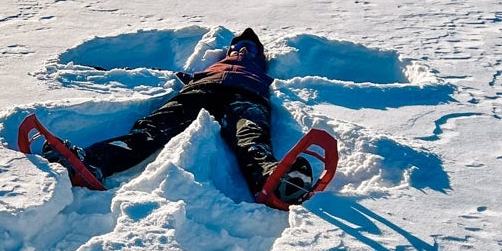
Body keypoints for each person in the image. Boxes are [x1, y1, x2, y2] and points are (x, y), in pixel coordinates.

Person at [44, 28, 316, 206]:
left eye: (251, 48)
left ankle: (273, 179)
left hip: (247, 94)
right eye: (238, 47)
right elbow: (150, 73)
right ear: (229, 51)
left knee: (250, 136)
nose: (244, 50)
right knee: (155, 127)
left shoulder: (261, 71)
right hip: (203, 88)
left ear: (260, 55)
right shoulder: (208, 69)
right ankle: (92, 161)